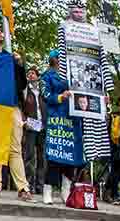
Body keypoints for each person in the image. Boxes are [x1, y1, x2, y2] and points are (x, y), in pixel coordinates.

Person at [56, 0, 114, 163]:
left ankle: (91, 161)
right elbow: (63, 53)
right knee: (77, 131)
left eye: (82, 7)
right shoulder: (64, 27)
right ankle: (76, 170)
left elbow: (102, 57)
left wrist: (106, 88)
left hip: (93, 84)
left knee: (95, 123)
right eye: (75, 7)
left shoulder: (94, 31)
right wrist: (64, 79)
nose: (79, 10)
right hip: (75, 81)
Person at [0, 21, 31, 201]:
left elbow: (21, 85)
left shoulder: (10, 58)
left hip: (12, 107)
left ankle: (23, 188)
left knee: (15, 149)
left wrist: (19, 65)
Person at [41, 51, 81, 204]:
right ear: (54, 60)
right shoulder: (47, 75)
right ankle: (48, 189)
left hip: (73, 118)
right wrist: (60, 97)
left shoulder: (74, 73)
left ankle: (66, 191)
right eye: (60, 58)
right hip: (57, 118)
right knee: (55, 154)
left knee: (71, 155)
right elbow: (45, 95)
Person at [22, 65, 47, 194]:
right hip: (31, 127)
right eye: (29, 73)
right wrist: (24, 121)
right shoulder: (25, 90)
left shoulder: (43, 91)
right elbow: (21, 106)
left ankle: (40, 185)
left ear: (38, 76)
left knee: (42, 157)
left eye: (33, 73)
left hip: (43, 127)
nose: (31, 75)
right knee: (30, 156)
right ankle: (29, 184)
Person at [103, 95, 120, 204]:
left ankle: (108, 190)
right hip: (116, 146)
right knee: (116, 172)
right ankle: (113, 194)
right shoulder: (115, 116)